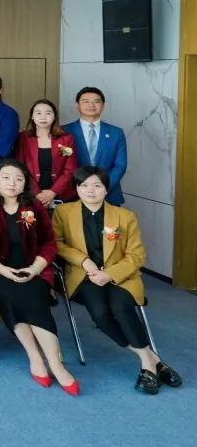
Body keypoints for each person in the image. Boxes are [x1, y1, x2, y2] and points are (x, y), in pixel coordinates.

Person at [55, 168, 182, 394]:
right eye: (84, 185)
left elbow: (136, 255)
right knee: (101, 314)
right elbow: (57, 243)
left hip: (120, 276)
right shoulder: (63, 212)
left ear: (106, 189)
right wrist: (84, 261)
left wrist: (110, 274)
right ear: (76, 189)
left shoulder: (125, 216)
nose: (90, 191)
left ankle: (147, 365)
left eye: (97, 185)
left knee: (121, 308)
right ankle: (152, 359)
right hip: (84, 275)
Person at [0, 160, 78, 394]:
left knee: (34, 296)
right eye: (6, 177)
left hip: (33, 268)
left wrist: (35, 269)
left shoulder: (34, 205)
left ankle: (56, 364)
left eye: (18, 178)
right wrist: (2, 269)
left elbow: (49, 242)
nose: (12, 183)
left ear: (25, 183)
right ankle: (35, 357)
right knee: (9, 293)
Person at [63, 87, 128, 206]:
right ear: (78, 106)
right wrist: (80, 187)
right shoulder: (64, 131)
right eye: (86, 101)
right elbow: (60, 165)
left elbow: (120, 165)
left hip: (108, 194)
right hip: (73, 194)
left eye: (96, 101)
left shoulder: (116, 133)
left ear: (103, 106)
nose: (91, 105)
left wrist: (103, 187)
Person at [15, 99, 77, 206]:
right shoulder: (23, 138)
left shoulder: (66, 139)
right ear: (32, 116)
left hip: (61, 195)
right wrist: (37, 193)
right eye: (38, 113)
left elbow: (70, 170)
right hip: (31, 195)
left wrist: (53, 192)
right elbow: (20, 168)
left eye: (48, 113)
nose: (43, 117)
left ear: (54, 117)